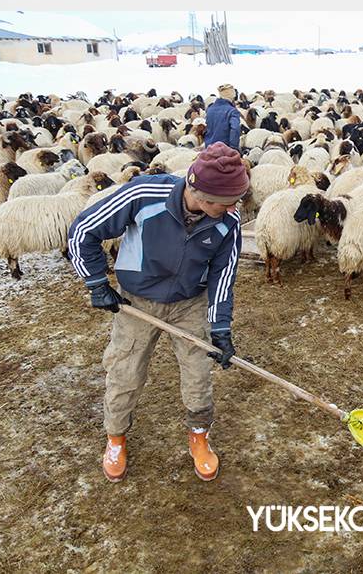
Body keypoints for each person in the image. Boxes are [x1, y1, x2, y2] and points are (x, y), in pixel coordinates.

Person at [67, 142, 249, 483]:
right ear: (201, 192)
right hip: (138, 301)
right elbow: (82, 231)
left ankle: (199, 436)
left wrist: (221, 328)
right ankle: (116, 437)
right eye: (228, 202)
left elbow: (224, 275)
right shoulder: (144, 194)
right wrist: (96, 283)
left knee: (197, 372)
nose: (234, 208)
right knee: (125, 370)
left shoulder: (228, 221)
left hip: (190, 301)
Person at [204, 84, 242, 150]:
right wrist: (234, 148)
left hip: (209, 149)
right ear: (232, 97)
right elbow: (235, 129)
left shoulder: (210, 110)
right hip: (224, 150)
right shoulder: (232, 111)